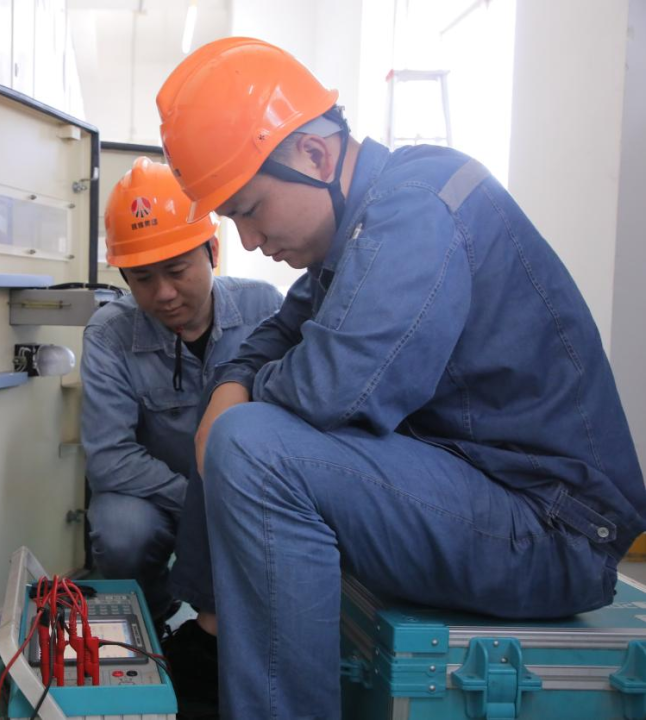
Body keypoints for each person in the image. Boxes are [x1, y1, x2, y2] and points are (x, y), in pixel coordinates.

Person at [155, 37, 646, 718]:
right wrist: (233, 384)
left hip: (552, 529)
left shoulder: (414, 210)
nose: (248, 242)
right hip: (482, 487)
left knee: (251, 444)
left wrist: (238, 400)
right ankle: (212, 638)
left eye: (249, 209)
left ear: (315, 155)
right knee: (232, 417)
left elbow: (335, 388)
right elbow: (274, 337)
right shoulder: (358, 226)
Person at [80, 156, 282, 714]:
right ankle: (151, 628)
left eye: (177, 270)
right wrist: (199, 500)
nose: (164, 293)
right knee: (119, 531)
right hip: (159, 497)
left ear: (212, 251)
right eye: (143, 279)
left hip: (245, 494)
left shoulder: (266, 309)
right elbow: (109, 458)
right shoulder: (109, 335)